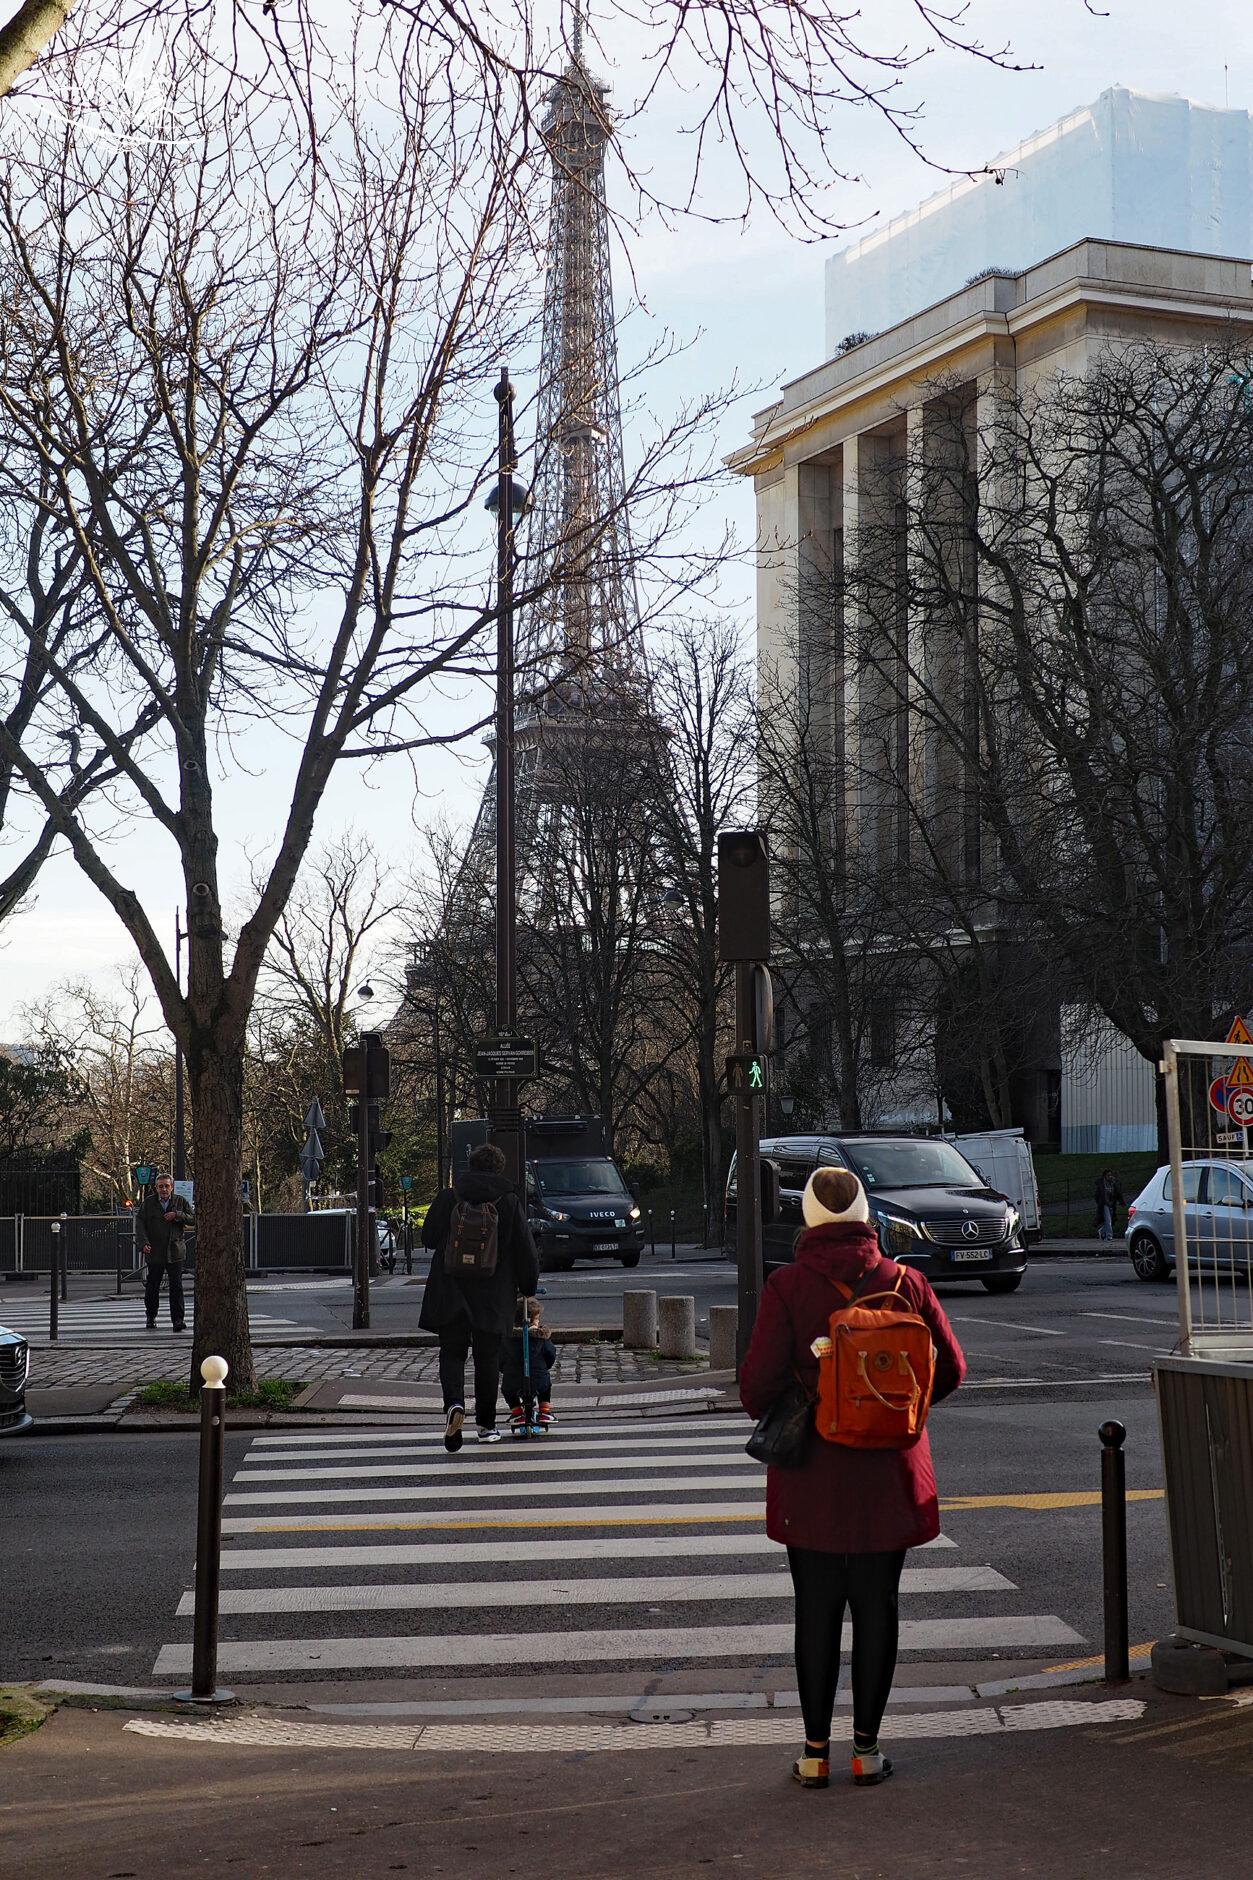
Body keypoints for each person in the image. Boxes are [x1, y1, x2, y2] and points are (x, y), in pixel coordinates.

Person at [740, 1164, 965, 1792]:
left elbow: (755, 1387)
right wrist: (897, 1411)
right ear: (866, 1214)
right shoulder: (905, 1281)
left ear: (808, 1217)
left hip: (813, 1473)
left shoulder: (786, 1286)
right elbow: (950, 1370)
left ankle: (815, 1754)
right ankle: (867, 1750)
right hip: (889, 1473)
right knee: (878, 1606)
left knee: (815, 1608)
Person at [420, 1142, 539, 1450]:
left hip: (450, 1289)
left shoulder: (449, 1197)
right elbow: (525, 1251)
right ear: (499, 1169)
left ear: (469, 1166)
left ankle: (454, 1405)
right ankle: (486, 1425)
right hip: (493, 1293)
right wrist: (527, 1288)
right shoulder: (510, 1202)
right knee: (487, 1358)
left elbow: (429, 1238)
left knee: (452, 1352)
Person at [140, 1172, 195, 1333]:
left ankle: (178, 1320)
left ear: (171, 1187)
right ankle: (151, 1316)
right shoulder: (149, 1203)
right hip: (155, 1250)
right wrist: (143, 1243)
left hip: (175, 1250)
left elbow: (193, 1218)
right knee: (152, 1286)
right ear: (156, 1188)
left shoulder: (180, 1201)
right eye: (161, 1186)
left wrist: (177, 1215)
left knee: (176, 1286)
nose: (164, 1189)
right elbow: (140, 1223)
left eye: (167, 1186)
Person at [501, 1295, 559, 1432]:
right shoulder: (541, 1338)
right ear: (533, 1321)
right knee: (546, 1386)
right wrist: (545, 1367)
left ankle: (517, 1413)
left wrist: (504, 1369)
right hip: (539, 1379)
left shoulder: (507, 1339)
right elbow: (550, 1354)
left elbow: (500, 1359)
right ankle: (544, 1411)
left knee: (507, 1391)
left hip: (512, 1381)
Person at [1094, 1169, 1126, 1241]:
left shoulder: (1113, 1183)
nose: (1110, 1176)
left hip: (1111, 1204)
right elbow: (1097, 1195)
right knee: (1108, 1220)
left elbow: (1118, 1193)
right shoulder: (1102, 1184)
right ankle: (1109, 1236)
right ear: (1104, 1176)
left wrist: (1122, 1202)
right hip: (1104, 1204)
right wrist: (1099, 1202)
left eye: (1111, 1175)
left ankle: (1102, 1231)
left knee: (1110, 1220)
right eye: (1108, 1175)